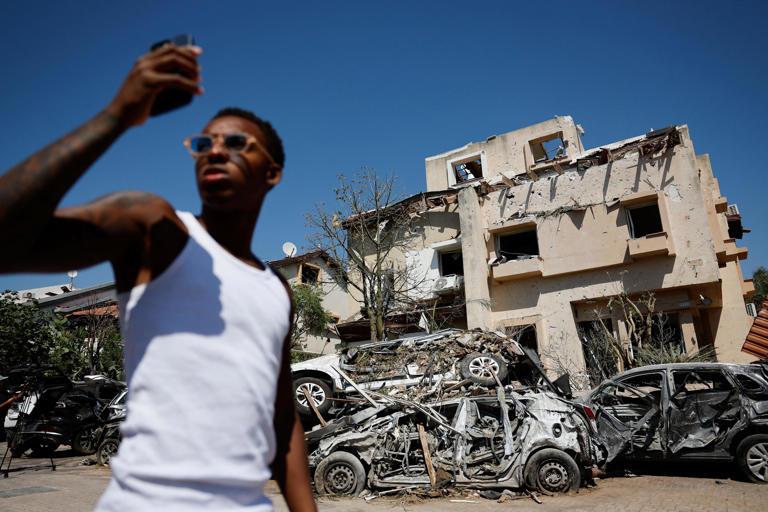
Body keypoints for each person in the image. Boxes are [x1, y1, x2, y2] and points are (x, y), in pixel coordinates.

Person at [0, 43, 316, 512]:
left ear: (272, 172)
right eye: (204, 143)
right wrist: (118, 115)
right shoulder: (158, 230)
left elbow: (281, 416)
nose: (214, 151)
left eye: (235, 143)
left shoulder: (277, 290)